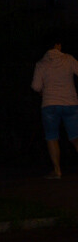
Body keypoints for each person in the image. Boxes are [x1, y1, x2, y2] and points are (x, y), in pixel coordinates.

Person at [31, 36, 78, 178]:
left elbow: (36, 86)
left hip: (49, 105)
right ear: (57, 45)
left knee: (52, 137)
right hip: (70, 103)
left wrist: (42, 91)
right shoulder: (69, 59)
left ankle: (57, 171)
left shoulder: (41, 63)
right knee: (76, 137)